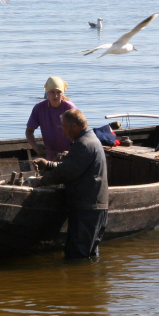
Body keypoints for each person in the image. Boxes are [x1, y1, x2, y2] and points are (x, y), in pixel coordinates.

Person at [29, 108, 109, 259]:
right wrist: (48, 165)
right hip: (95, 207)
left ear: (74, 126)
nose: (64, 133)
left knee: (77, 255)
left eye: (64, 129)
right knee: (89, 254)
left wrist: (41, 181)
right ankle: (91, 281)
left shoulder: (83, 144)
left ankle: (78, 281)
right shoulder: (92, 140)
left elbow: (67, 172)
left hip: (87, 209)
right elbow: (74, 167)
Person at [25, 77, 76, 161]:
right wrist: (35, 146)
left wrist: (74, 151)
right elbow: (29, 131)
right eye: (52, 92)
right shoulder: (39, 108)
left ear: (62, 93)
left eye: (58, 92)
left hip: (70, 156)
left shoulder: (70, 108)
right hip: (50, 157)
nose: (55, 95)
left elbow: (82, 133)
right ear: (47, 93)